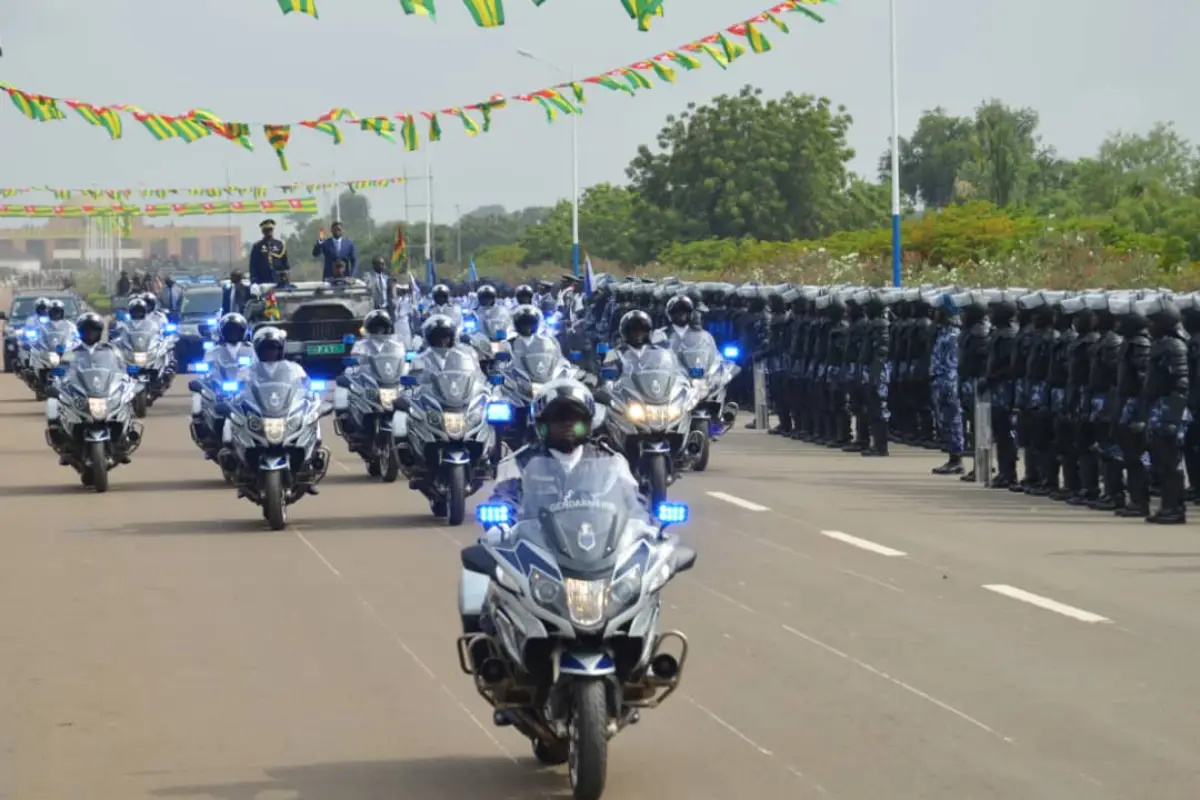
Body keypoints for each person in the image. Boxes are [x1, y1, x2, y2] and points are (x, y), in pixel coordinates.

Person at [249, 219, 288, 284]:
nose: (268, 232)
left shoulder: (279, 244)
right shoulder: (257, 246)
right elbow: (253, 265)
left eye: (270, 229)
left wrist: (285, 276)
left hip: (278, 280)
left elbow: (285, 262)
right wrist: (254, 280)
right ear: (263, 231)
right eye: (266, 230)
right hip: (262, 280)